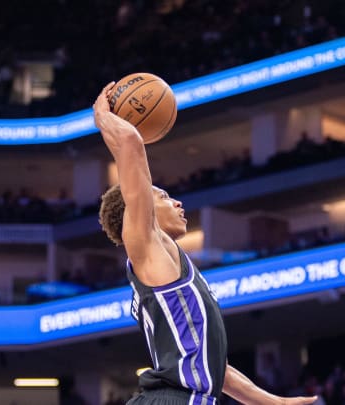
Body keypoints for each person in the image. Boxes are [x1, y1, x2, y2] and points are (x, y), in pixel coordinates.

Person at [93, 82, 317, 405]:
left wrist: (274, 402)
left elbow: (215, 368)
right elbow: (130, 142)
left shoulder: (168, 264)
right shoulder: (145, 242)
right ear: (139, 209)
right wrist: (102, 116)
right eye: (164, 196)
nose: (178, 203)